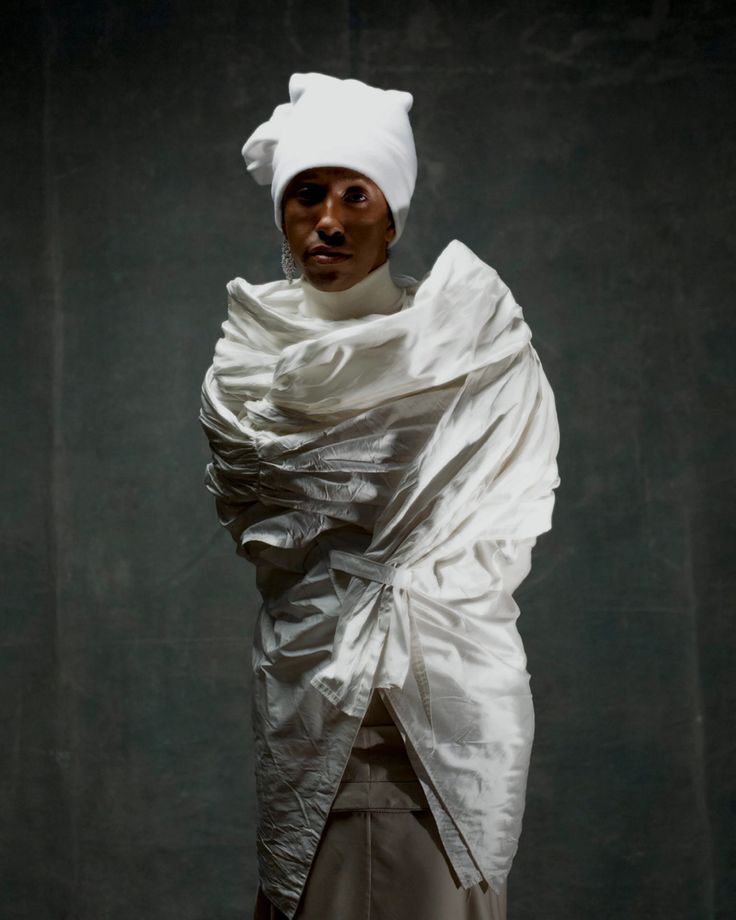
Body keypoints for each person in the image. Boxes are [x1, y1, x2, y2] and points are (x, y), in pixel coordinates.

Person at [199, 73, 561, 920]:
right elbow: (270, 533)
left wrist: (400, 576)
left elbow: (502, 517)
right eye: (307, 195)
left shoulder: (475, 346)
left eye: (354, 194)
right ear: (283, 218)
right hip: (315, 694)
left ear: (392, 215)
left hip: (450, 697)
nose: (329, 218)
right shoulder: (245, 372)